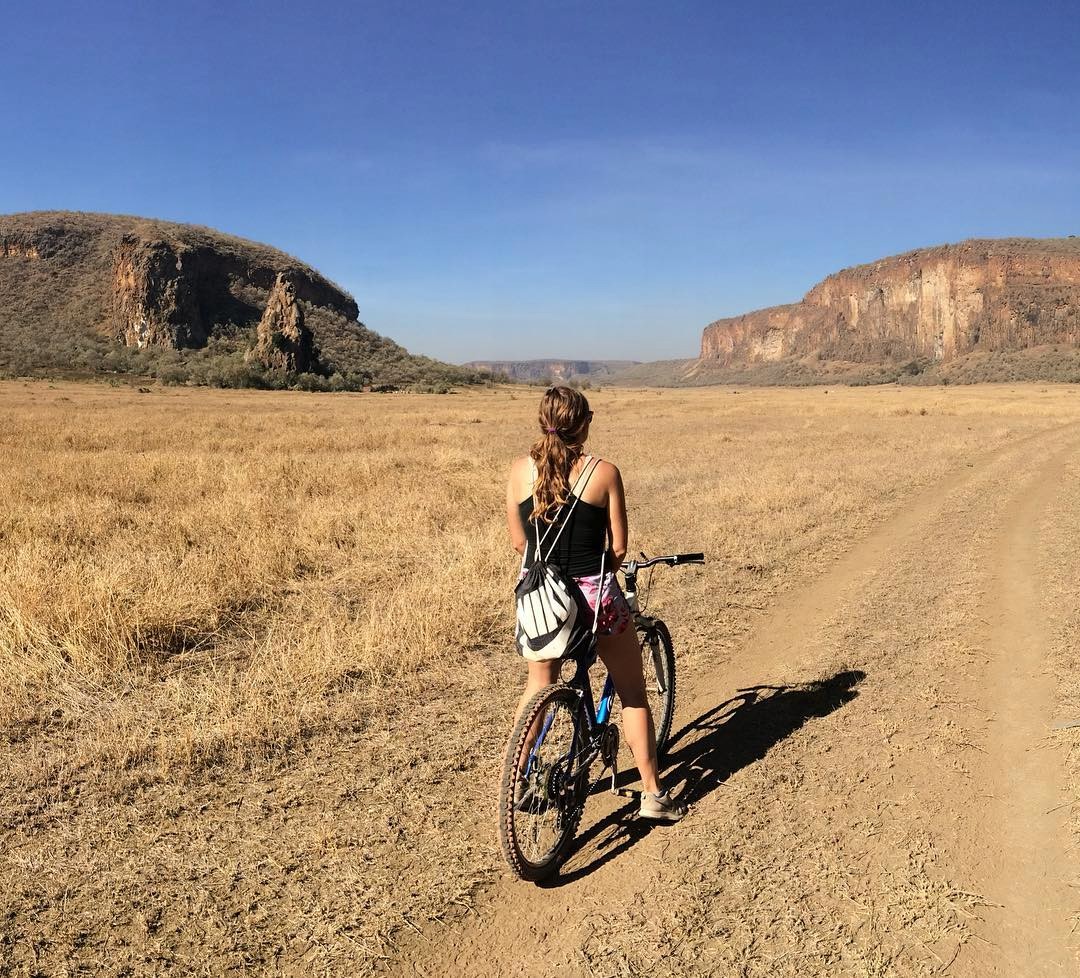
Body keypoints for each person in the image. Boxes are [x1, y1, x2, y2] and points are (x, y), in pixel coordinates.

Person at [505, 385, 686, 822]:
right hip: (593, 597)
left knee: (538, 687)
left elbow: (517, 542)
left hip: (541, 598)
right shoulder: (603, 473)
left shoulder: (517, 472)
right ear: (582, 423)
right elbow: (619, 548)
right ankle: (652, 795)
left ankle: (519, 778)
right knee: (633, 696)